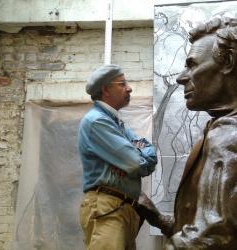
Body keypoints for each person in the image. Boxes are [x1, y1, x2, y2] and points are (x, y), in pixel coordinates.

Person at [139, 17, 237, 249]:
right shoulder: (219, 129)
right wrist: (161, 219)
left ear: (229, 62)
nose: (181, 77)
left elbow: (213, 239)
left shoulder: (228, 137)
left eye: (192, 65)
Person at [78, 64, 157, 250]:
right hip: (107, 208)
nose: (129, 88)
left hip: (121, 208)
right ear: (106, 89)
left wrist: (137, 154)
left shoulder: (115, 123)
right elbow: (136, 164)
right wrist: (137, 157)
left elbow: (149, 150)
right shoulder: (97, 121)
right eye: (122, 84)